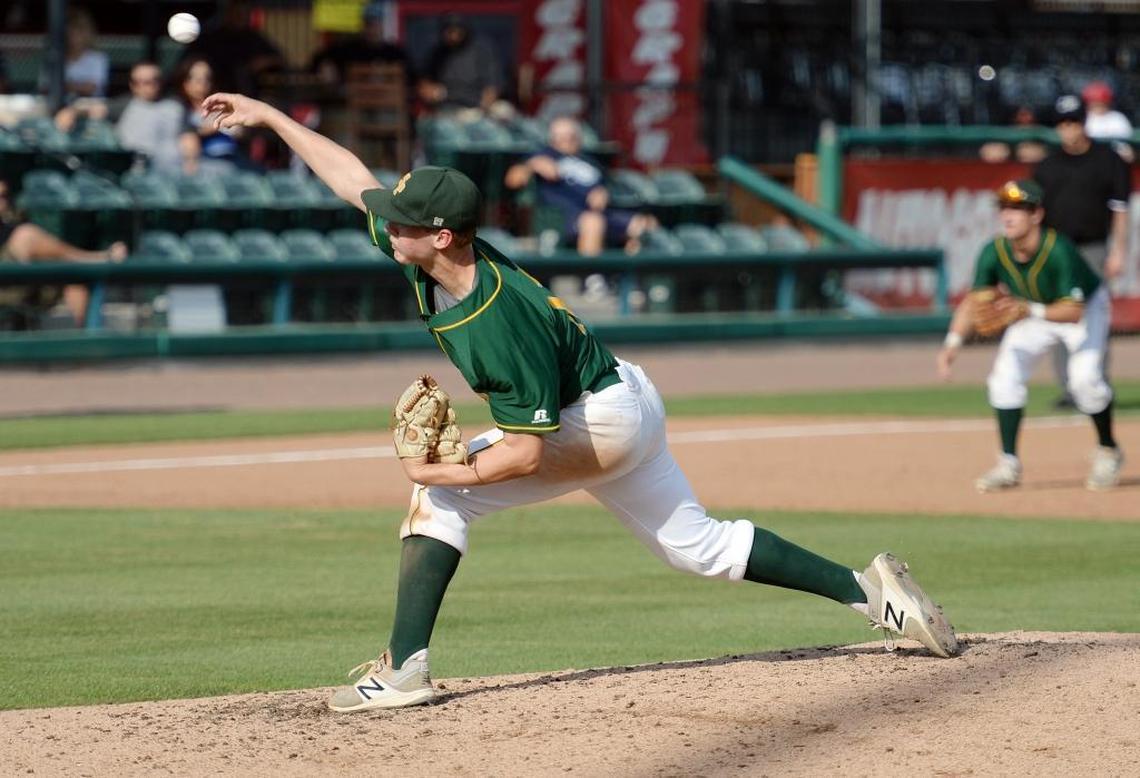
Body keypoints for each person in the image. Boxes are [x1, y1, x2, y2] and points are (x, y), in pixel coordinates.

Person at [200, 90, 960, 713]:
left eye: (402, 222)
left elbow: (526, 452)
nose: (385, 224)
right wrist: (267, 116)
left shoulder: (497, 322)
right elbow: (349, 176)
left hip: (592, 420)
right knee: (698, 546)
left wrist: (442, 476)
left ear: (441, 236)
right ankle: (872, 596)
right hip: (620, 393)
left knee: (437, 505)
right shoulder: (437, 256)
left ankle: (402, 669)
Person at [937, 180, 1123, 492]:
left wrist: (1028, 310)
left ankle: (1108, 450)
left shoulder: (1058, 249)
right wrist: (952, 343)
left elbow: (1072, 311)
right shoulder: (994, 251)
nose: (1007, 215)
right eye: (1004, 208)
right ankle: (1008, 463)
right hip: (1032, 312)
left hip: (1084, 309)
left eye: (1017, 209)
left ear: (1036, 214)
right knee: (1004, 378)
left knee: (1084, 380)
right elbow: (975, 301)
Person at [1033, 94, 1131, 408]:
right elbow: (1036, 215)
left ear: (1084, 122)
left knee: (1095, 315)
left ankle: (1097, 384)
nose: (1068, 129)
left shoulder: (1108, 160)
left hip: (1093, 249)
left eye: (1073, 122)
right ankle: (1070, 388)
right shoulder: (1047, 166)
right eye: (1062, 124)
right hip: (1058, 251)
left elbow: (1120, 210)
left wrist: (1118, 251)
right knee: (1060, 317)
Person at [505, 116, 656, 256]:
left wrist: (602, 193)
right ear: (553, 139)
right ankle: (593, 280)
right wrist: (531, 165)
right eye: (562, 137)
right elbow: (512, 180)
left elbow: (606, 186)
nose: (567, 141)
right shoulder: (543, 155)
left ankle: (628, 279)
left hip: (600, 212)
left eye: (572, 137)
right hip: (562, 217)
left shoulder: (589, 161)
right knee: (593, 222)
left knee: (646, 225)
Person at [0, 178, 126, 324]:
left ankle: (84, 343)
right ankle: (98, 259)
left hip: (18, 293)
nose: (2, 203)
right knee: (25, 237)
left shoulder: (9, 230)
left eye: (4, 196)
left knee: (73, 282)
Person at [179, 0, 285, 96]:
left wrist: (259, 63)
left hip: (246, 95)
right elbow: (190, 61)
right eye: (238, 13)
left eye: (245, 14)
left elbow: (279, 58)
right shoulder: (212, 38)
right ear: (228, 14)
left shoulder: (252, 37)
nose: (241, 17)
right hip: (213, 92)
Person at [115, 61, 200, 175]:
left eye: (151, 81)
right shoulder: (122, 105)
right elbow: (92, 109)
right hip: (132, 173)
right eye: (139, 82)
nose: (146, 86)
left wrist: (190, 162)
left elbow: (188, 137)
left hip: (170, 173)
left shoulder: (175, 106)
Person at [417, 14, 505, 115]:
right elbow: (425, 86)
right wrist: (432, 92)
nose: (453, 36)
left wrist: (482, 110)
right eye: (449, 31)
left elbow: (492, 89)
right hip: (446, 111)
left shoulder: (481, 51)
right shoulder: (436, 54)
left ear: (465, 31)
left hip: (477, 110)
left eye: (457, 31)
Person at [310, 1, 410, 86]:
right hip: (352, 106)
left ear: (383, 26)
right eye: (368, 24)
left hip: (389, 106)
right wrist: (325, 66)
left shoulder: (395, 53)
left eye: (376, 24)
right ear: (362, 26)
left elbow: (412, 78)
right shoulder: (349, 50)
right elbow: (317, 60)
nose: (372, 29)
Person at [39, 7, 109, 101]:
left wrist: (63, 86)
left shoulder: (98, 58)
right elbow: (45, 87)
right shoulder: (53, 58)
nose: (73, 38)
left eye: (77, 33)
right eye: (69, 33)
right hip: (58, 103)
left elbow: (91, 88)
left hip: (90, 107)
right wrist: (75, 86)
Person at [1082, 80, 1134, 161]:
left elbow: (1127, 148)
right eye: (1094, 102)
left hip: (1114, 160)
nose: (1097, 105)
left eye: (1101, 102)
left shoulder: (1118, 118)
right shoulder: (1083, 118)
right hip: (1090, 160)